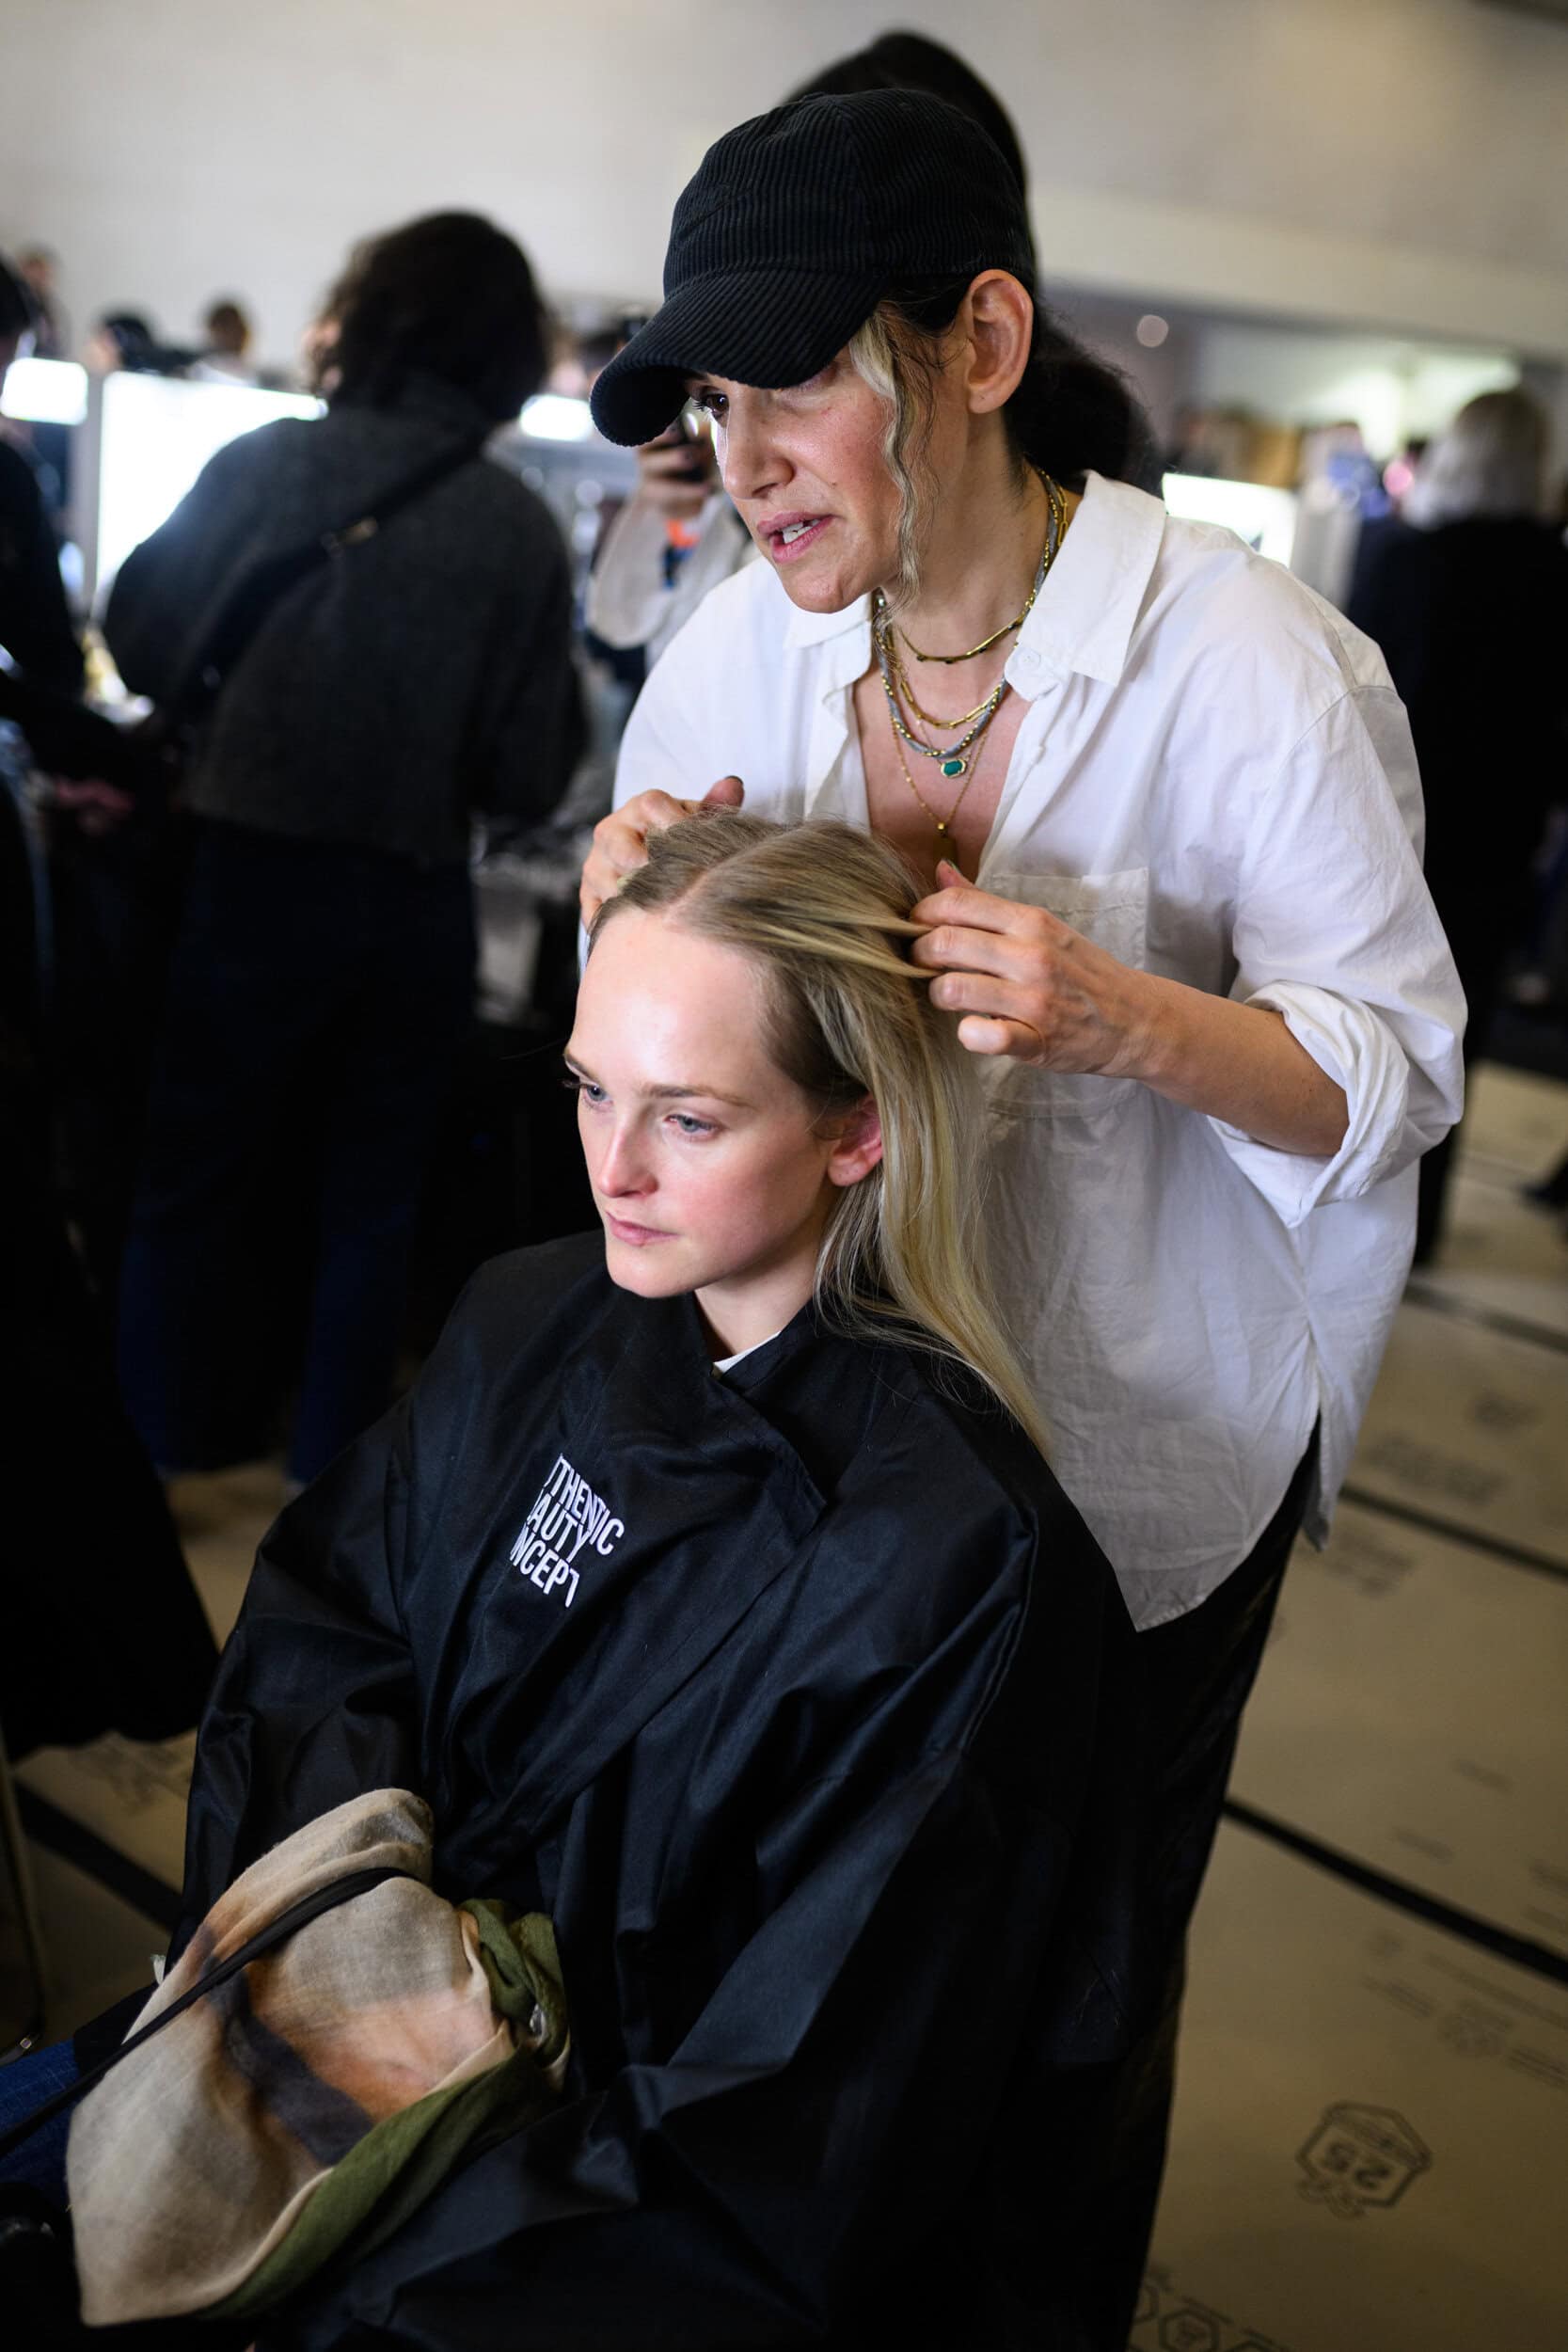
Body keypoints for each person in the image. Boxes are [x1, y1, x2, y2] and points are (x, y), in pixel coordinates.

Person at [583, 87, 1466, 2299]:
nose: (745, 449)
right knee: (794, 1934)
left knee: (1062, 2005)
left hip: (1135, 1467)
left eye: (795, 381)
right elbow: (650, 1075)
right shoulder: (733, 654)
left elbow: (1402, 1075)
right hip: (816, 1457)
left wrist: (1117, 1013)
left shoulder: (1246, 659)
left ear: (976, 344)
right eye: (710, 399)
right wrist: (621, 923)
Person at [3, 814, 1143, 2349]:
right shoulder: (525, 1313)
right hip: (338, 2018)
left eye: (687, 1119)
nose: (609, 1168)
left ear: (856, 1130)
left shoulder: (953, 1568)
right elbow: (329, 1631)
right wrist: (361, 1964)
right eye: (590, 1089)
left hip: (602, 2215)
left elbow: (791, 2123)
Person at [104, 211, 585, 1490]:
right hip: (410, 896)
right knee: (369, 1211)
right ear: (502, 354)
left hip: (241, 873)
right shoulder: (515, 530)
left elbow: (140, 633)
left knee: (187, 1183)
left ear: (366, 320)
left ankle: (146, 1472)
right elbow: (531, 773)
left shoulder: (265, 466)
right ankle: (331, 1499)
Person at [583, 31, 1140, 675]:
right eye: (714, 400)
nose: (739, 473)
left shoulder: (1233, 674)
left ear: (985, 341)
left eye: (796, 368)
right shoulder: (736, 638)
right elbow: (629, 638)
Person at [1348, 386, 1568, 1262]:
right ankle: (1420, 1233)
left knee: (1359, 1023)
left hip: (1386, 829)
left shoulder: (1406, 558)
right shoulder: (1555, 576)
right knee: (1451, 1040)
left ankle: (1356, 1223)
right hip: (1495, 844)